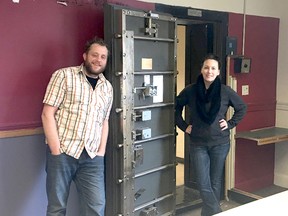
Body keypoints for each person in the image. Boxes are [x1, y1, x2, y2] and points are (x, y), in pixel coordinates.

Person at [41, 37, 113, 216]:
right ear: (85, 56)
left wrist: (101, 152)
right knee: (57, 208)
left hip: (92, 157)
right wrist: (56, 150)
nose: (98, 60)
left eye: (103, 57)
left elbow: (104, 121)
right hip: (63, 154)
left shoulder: (107, 87)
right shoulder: (64, 76)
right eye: (94, 55)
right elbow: (47, 113)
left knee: (96, 207)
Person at [175, 54, 247, 216]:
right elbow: (175, 108)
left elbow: (242, 107)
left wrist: (229, 124)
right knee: (203, 182)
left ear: (219, 72)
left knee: (215, 183)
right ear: (201, 70)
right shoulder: (191, 91)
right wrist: (184, 127)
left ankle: (208, 213)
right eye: (206, 67)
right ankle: (217, 212)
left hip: (220, 144)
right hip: (198, 143)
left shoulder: (225, 91)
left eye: (213, 68)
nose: (209, 71)